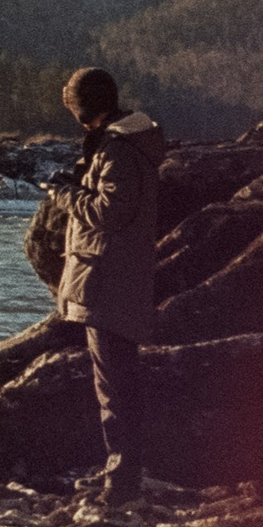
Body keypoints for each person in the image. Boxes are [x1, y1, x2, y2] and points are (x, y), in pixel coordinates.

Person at [48, 66, 167, 504]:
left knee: (114, 384)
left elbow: (109, 212)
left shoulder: (119, 150)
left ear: (84, 111)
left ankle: (121, 481)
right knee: (119, 381)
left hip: (106, 280)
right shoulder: (127, 144)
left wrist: (64, 194)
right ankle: (123, 472)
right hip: (115, 277)